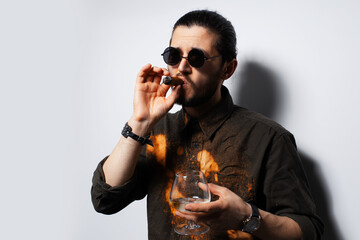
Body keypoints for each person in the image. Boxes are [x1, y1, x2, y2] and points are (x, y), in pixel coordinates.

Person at [91, 10, 323, 240]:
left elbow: (307, 232)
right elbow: (105, 199)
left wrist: (246, 215)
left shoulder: (269, 138)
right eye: (174, 56)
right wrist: (140, 122)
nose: (181, 68)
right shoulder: (155, 131)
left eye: (196, 58)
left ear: (227, 69)